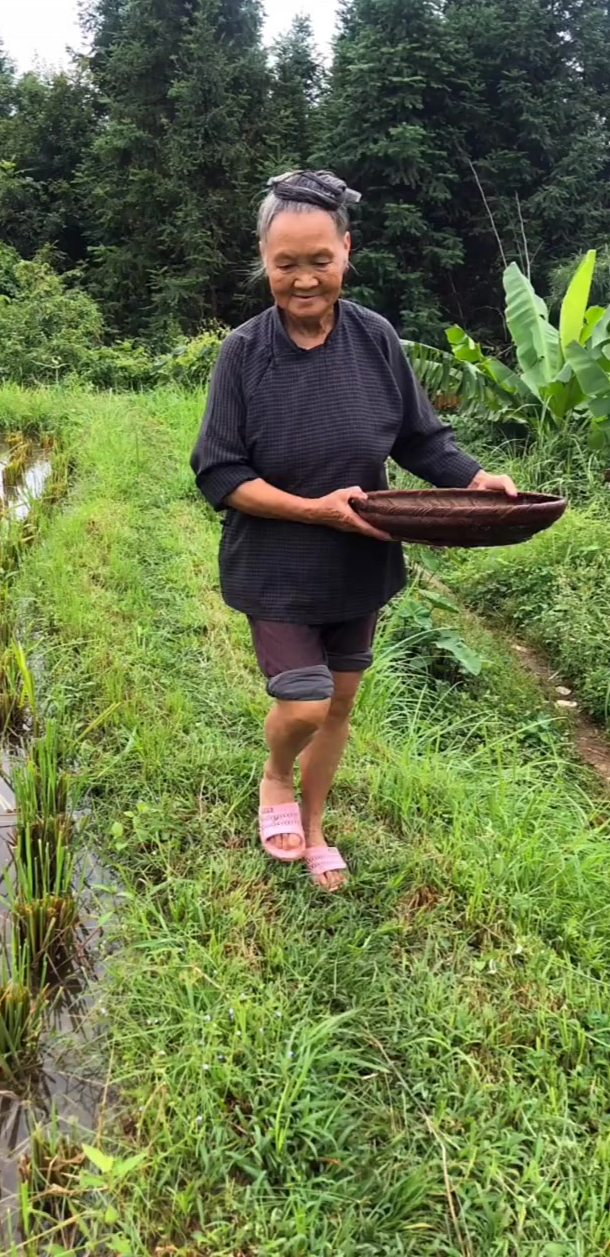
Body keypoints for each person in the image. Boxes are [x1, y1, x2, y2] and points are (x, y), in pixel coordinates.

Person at [191, 169, 516, 892]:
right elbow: (218, 472)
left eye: (318, 261)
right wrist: (312, 510)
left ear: (345, 250)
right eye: (285, 265)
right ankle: (276, 777)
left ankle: (312, 828)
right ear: (263, 261)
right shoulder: (244, 353)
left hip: (359, 561)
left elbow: (420, 440)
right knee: (302, 698)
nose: (303, 280)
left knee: (338, 703)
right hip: (274, 563)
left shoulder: (375, 339)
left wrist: (473, 479)